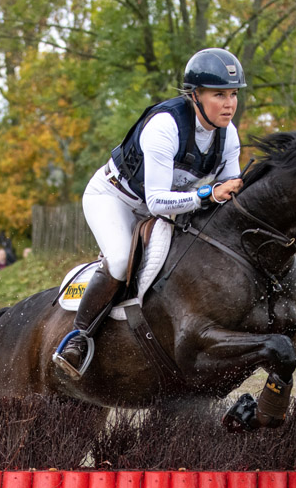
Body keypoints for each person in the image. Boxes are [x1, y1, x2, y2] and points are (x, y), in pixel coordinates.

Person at [52, 47, 246, 379]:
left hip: (166, 209)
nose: (229, 103)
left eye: (233, 94)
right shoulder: (165, 126)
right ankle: (77, 338)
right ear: (195, 95)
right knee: (118, 259)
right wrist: (208, 193)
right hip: (115, 199)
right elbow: (157, 202)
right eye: (219, 95)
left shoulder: (227, 136)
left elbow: (228, 190)